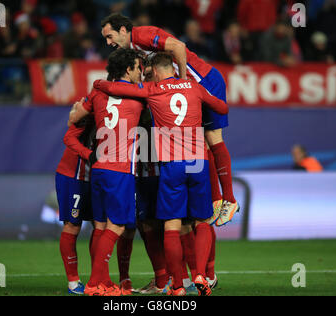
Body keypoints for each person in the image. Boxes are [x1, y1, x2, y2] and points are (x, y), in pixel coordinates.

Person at [93, 52, 228, 296]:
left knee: (172, 226)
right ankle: (200, 274)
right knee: (202, 222)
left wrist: (99, 84)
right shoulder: (194, 87)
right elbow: (221, 106)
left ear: (154, 70)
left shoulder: (152, 89)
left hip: (171, 165)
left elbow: (121, 89)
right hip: (198, 162)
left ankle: (177, 286)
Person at [99, 12, 239, 229]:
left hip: (205, 81)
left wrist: (182, 82)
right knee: (201, 142)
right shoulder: (136, 51)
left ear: (123, 31)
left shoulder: (142, 35)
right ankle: (217, 199)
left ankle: (229, 200)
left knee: (213, 138)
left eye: (110, 36)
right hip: (193, 89)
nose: (108, 43)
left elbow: (179, 47)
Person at [68, 48, 144, 296]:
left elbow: (74, 118)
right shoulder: (138, 96)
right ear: (128, 70)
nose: (139, 72)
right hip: (120, 170)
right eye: (137, 67)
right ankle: (94, 283)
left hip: (98, 168)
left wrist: (97, 85)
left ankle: (102, 282)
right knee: (118, 227)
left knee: (100, 227)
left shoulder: (98, 93)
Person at [55, 116, 96, 295]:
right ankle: (73, 281)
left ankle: (98, 279)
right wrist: (89, 155)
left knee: (101, 225)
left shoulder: (122, 109)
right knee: (72, 225)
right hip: (74, 176)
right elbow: (69, 135)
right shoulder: (91, 109)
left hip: (98, 177)